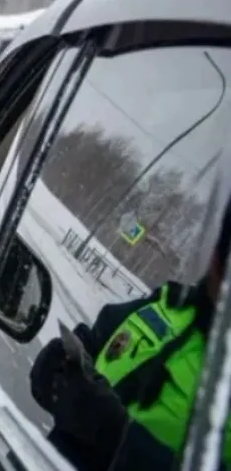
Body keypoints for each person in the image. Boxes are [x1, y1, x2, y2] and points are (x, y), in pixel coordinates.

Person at [29, 183, 231, 470]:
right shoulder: (168, 304)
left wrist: (117, 439)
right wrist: (61, 365)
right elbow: (96, 342)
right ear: (215, 258)